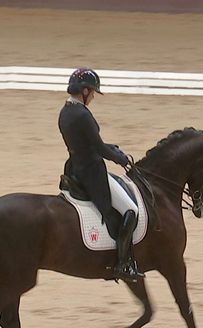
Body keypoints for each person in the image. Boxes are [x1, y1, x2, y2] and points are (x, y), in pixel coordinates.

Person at [58, 68, 145, 282]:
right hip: (91, 171)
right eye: (93, 92)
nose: (94, 97)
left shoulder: (65, 111)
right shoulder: (82, 114)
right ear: (85, 90)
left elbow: (86, 143)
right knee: (131, 210)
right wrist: (121, 159)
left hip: (75, 166)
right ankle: (123, 263)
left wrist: (112, 148)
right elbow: (97, 147)